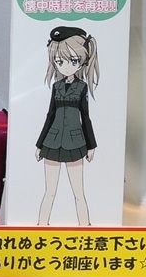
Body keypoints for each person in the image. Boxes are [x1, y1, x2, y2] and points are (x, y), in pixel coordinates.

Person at [35, 25, 99, 225]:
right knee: (50, 191)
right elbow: (50, 115)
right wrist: (39, 144)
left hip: (75, 143)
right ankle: (41, 226)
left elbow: (85, 117)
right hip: (52, 142)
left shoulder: (82, 87)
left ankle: (85, 227)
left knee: (79, 192)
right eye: (59, 61)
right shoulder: (56, 87)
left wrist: (91, 145)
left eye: (73, 60)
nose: (65, 66)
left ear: (82, 60)